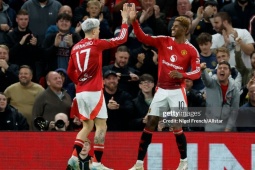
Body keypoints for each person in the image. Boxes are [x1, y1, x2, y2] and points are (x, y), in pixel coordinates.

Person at [128, 3, 201, 170]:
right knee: (150, 122)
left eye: (176, 26)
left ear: (185, 29)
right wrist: (134, 22)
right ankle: (139, 164)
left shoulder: (191, 50)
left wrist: (183, 75)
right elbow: (143, 38)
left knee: (177, 126)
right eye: (172, 26)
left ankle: (184, 162)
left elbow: (197, 72)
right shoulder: (164, 41)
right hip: (161, 89)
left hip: (177, 91)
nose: (172, 28)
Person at [66, 3, 129, 169]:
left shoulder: (75, 47)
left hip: (80, 92)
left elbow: (69, 72)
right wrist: (124, 21)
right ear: (94, 31)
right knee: (101, 125)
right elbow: (121, 38)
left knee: (87, 126)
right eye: (98, 30)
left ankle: (73, 158)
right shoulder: (96, 43)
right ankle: (97, 163)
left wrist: (80, 83)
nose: (99, 32)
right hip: (94, 91)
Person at [3, 9, 42, 81]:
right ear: (17, 20)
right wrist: (20, 43)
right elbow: (9, 55)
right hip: (15, 71)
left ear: (28, 20)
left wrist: (35, 46)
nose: (23, 21)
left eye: (26, 19)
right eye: (21, 19)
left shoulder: (33, 35)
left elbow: (39, 57)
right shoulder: (10, 36)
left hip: (31, 71)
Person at [201, 60, 240, 131]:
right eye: (220, 68)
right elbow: (205, 79)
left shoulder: (235, 88)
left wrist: (228, 128)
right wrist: (203, 70)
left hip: (228, 127)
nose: (222, 69)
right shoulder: (211, 82)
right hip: (211, 126)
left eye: (225, 68)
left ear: (229, 73)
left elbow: (234, 110)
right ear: (217, 72)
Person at [4, 65, 44, 130]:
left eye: (26, 74)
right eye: (21, 74)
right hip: (15, 128)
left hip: (34, 128)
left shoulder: (39, 89)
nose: (23, 75)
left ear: (31, 76)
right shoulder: (10, 89)